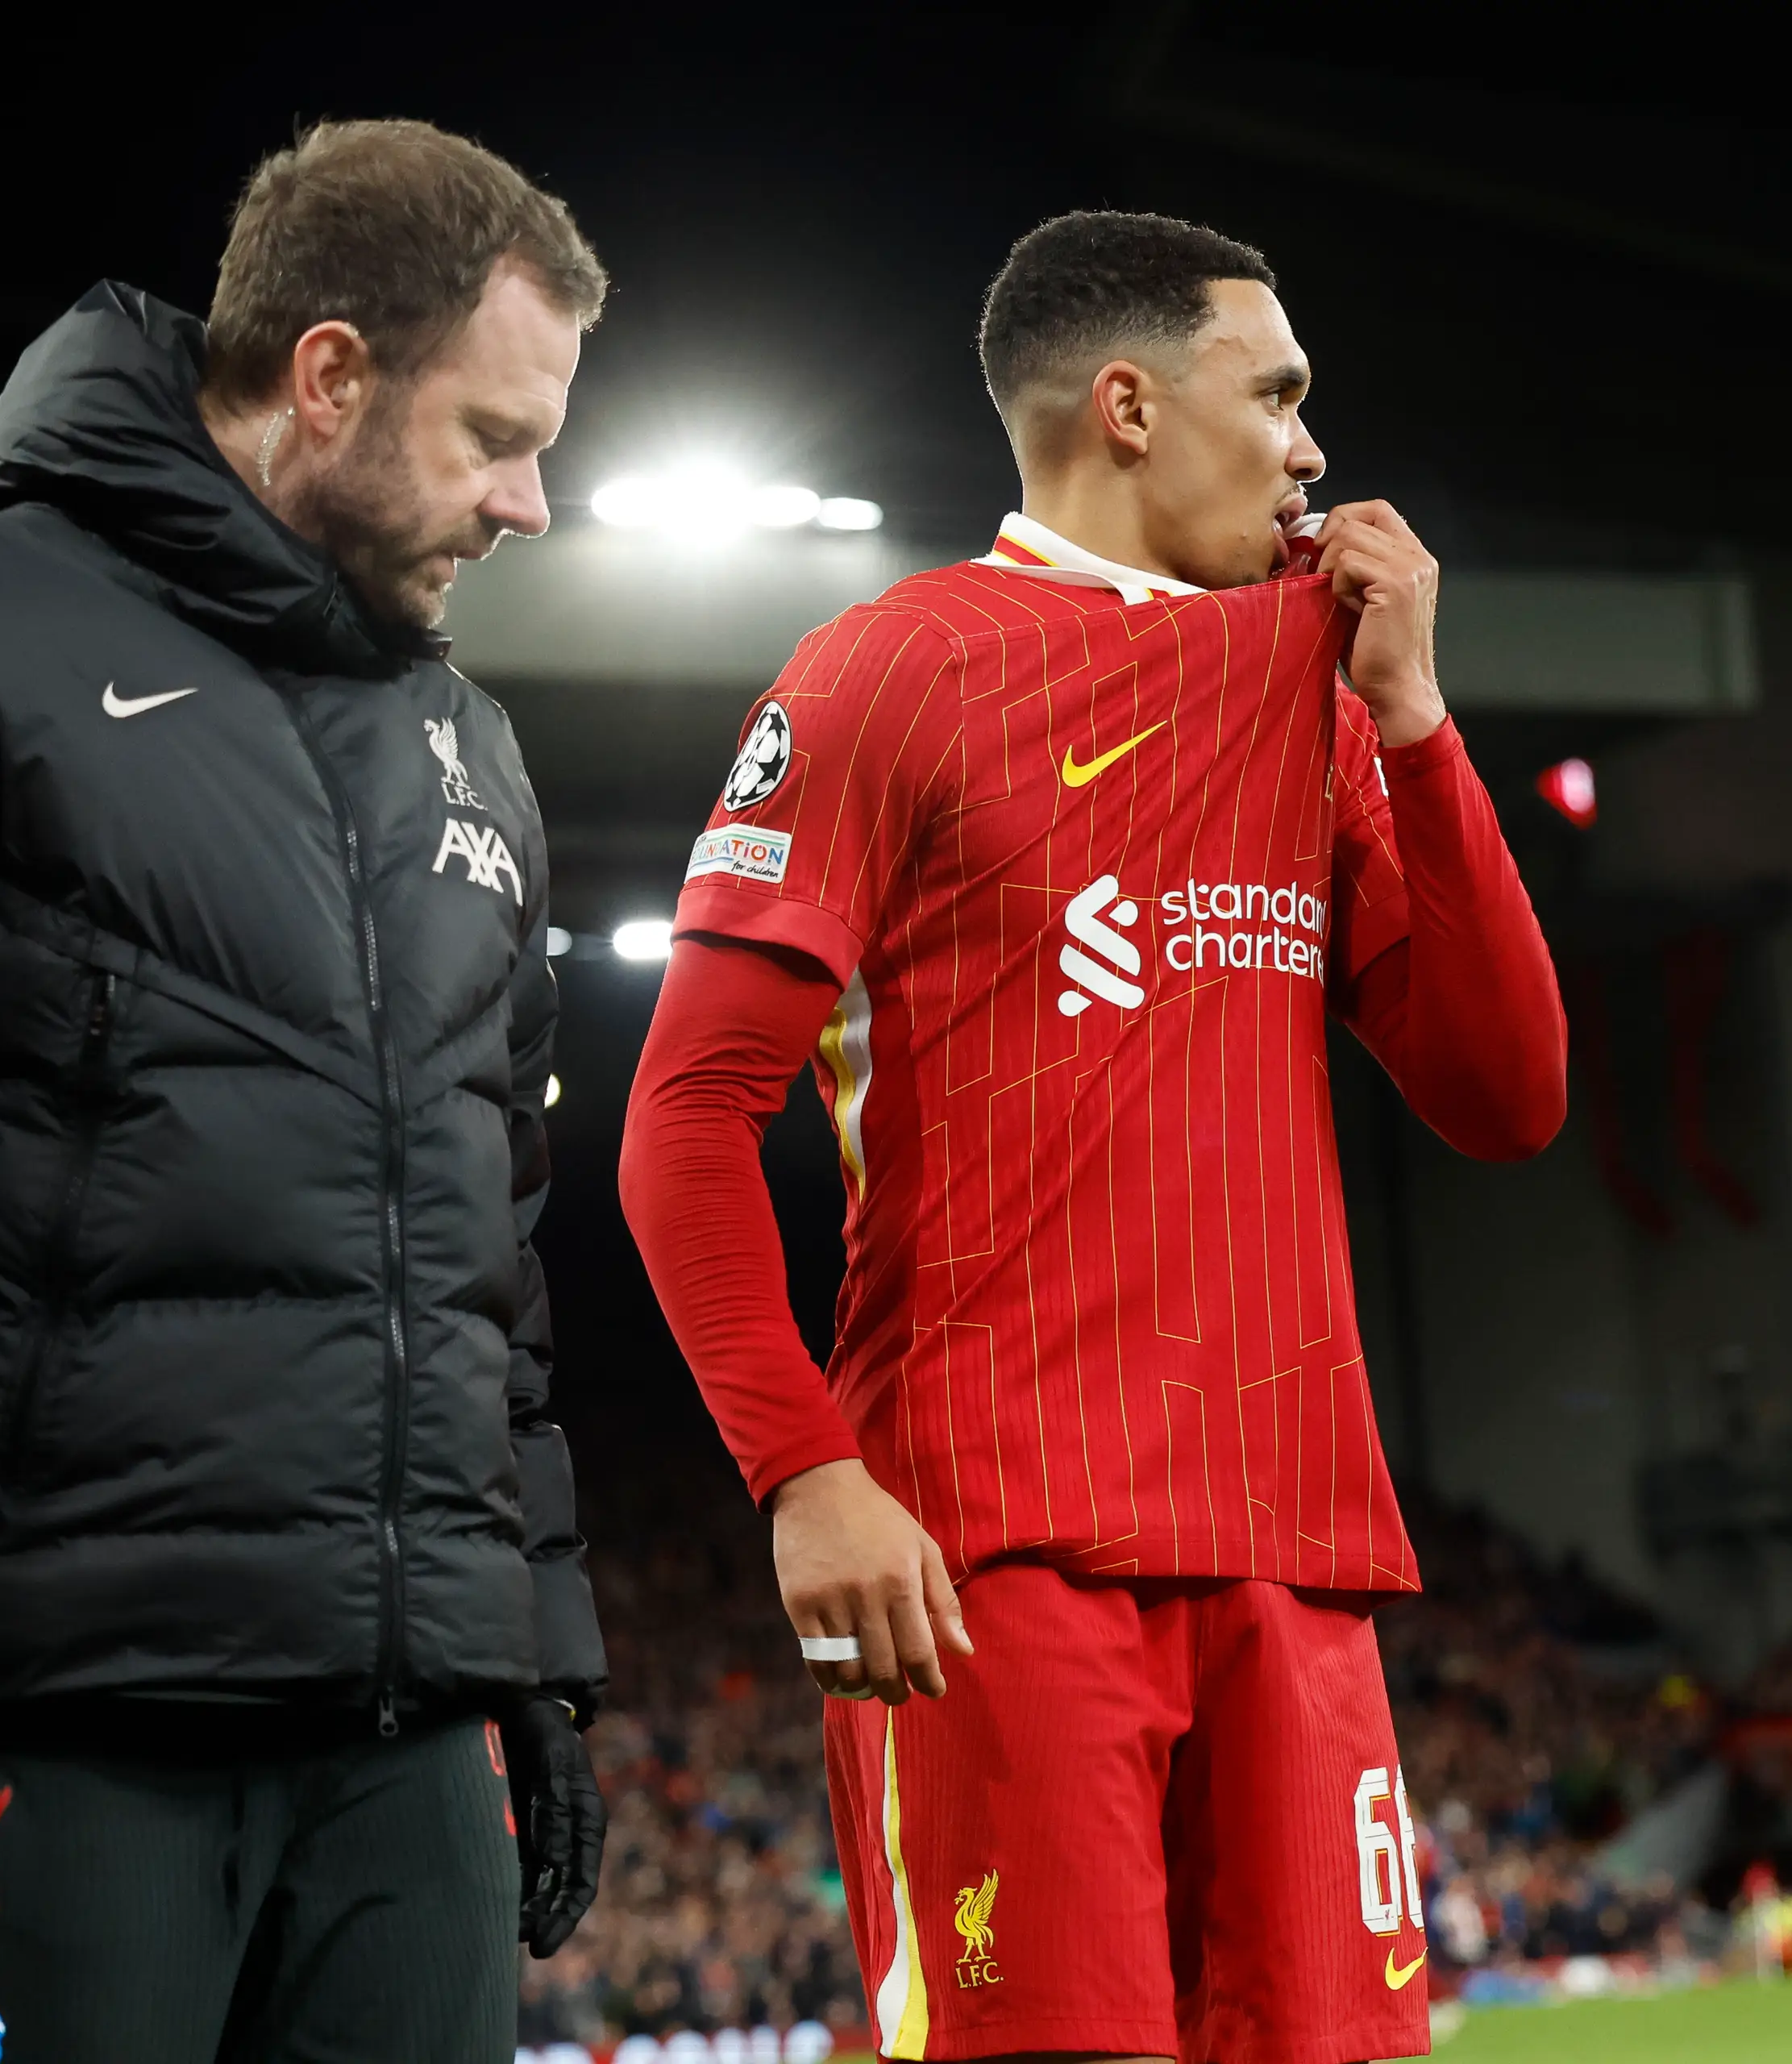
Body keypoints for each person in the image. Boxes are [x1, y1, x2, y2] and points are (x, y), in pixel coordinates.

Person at [0, 120, 610, 2064]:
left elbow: (492, 1259)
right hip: (64, 1728)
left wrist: (541, 1666)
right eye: (494, 435)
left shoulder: (468, 746)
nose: (533, 503)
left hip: (409, 1746)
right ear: (327, 376)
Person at [622, 211, 1566, 2062]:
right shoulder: (890, 669)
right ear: (1127, 405)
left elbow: (1505, 1093)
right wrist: (804, 1470)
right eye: (1275, 392)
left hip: (1293, 1554)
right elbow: (681, 1116)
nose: (1310, 446)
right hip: (991, 1559)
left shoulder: (1304, 696)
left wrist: (1415, 726)